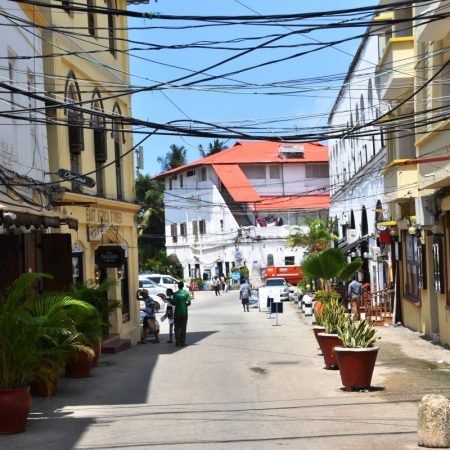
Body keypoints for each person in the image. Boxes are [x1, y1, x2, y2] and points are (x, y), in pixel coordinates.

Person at [170, 281, 191, 347]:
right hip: (184, 313)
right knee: (183, 328)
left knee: (177, 327)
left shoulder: (175, 294)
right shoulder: (186, 293)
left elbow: (174, 303)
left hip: (177, 313)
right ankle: (182, 342)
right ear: (183, 286)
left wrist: (170, 301)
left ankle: (177, 341)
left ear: (178, 286)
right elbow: (189, 303)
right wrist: (184, 305)